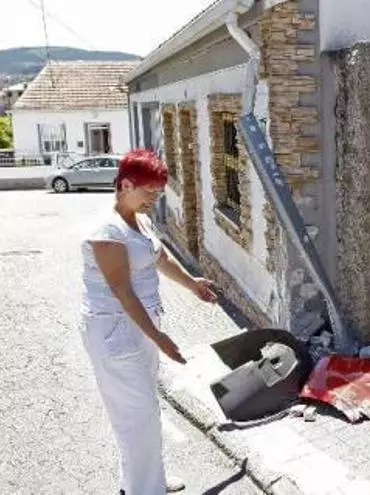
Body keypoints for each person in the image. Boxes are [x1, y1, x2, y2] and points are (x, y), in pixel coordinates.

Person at [79, 149, 217, 494]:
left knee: (144, 410)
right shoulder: (106, 231)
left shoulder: (139, 220)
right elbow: (123, 292)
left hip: (138, 327)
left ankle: (146, 479)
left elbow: (160, 257)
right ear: (125, 184)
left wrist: (192, 284)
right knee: (135, 415)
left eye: (158, 193)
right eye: (149, 192)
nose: (154, 200)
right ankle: (144, 488)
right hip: (113, 330)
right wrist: (159, 338)